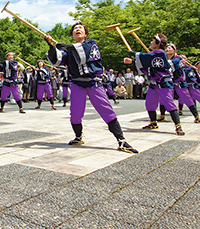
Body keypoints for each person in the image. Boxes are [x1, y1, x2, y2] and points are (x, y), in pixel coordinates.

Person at [47, 22, 138, 154]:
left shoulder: (91, 44)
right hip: (78, 84)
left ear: (85, 33)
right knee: (75, 114)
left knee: (107, 111)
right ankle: (78, 137)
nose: (77, 29)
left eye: (80, 28)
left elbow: (84, 53)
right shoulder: (69, 50)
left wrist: (68, 47)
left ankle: (121, 140)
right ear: (72, 35)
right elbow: (57, 60)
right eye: (75, 29)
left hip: (93, 83)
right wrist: (51, 46)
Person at [124, 33, 184, 135]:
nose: (151, 42)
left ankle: (178, 126)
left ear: (158, 43)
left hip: (164, 83)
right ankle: (153, 122)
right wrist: (133, 60)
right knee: (150, 104)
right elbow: (148, 63)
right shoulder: (155, 54)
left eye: (153, 41)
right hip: (154, 84)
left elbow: (148, 58)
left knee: (169, 104)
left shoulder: (160, 53)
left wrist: (135, 54)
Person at [163, 45, 199, 123]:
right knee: (164, 98)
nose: (167, 49)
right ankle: (162, 115)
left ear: (174, 51)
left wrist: (162, 62)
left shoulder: (178, 59)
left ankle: (196, 116)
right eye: (166, 48)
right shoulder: (163, 59)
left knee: (187, 99)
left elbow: (173, 65)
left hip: (179, 83)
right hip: (168, 82)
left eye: (170, 48)